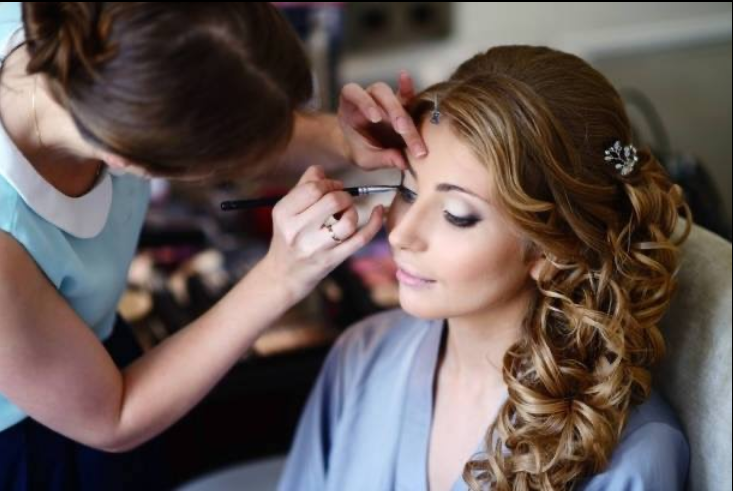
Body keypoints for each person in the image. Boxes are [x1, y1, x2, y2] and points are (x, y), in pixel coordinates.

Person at [0, 3, 426, 489]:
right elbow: (112, 416)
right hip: (42, 436)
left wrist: (339, 138)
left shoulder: (95, 32)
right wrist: (280, 277)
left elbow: (217, 114)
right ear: (130, 161)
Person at [279, 45, 692, 491]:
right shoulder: (359, 358)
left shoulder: (630, 458)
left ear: (553, 250)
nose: (401, 234)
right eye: (409, 193)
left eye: (457, 214)